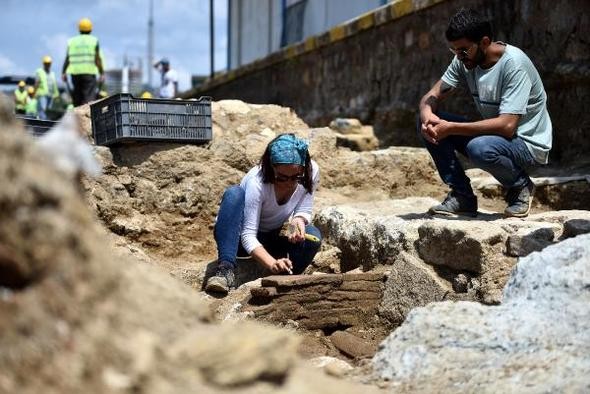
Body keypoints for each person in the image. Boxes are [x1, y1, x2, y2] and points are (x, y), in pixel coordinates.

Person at [418, 8, 552, 218]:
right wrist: (427, 114)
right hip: (498, 138)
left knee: (479, 148)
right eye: (453, 51)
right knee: (429, 124)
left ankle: (521, 186)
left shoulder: (514, 65)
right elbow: (431, 96)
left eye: (463, 50)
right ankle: (462, 197)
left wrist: (452, 128)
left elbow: (507, 127)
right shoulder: (465, 60)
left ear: (484, 42)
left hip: (527, 146)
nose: (459, 57)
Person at [206, 133, 322, 294]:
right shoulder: (257, 181)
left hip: (271, 237)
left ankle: (284, 278)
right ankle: (225, 270)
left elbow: (303, 210)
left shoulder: (311, 171)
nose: (289, 184)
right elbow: (248, 235)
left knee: (313, 237)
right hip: (239, 239)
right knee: (234, 193)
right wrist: (270, 263)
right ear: (270, 168)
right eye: (282, 178)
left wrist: (297, 222)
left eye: (296, 177)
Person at [62, 18, 104, 106]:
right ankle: (88, 118)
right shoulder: (94, 40)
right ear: (91, 29)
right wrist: (101, 73)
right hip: (89, 73)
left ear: (79, 29)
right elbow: (97, 59)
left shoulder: (72, 41)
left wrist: (63, 72)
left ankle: (77, 117)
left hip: (75, 73)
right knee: (89, 99)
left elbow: (68, 58)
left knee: (77, 97)